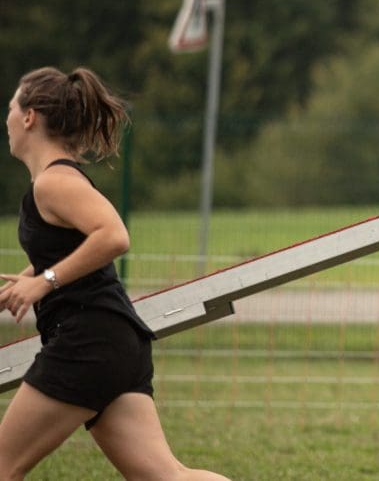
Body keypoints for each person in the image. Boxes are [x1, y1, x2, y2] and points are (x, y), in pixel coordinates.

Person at [0, 67, 229, 479]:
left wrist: (45, 282)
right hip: (115, 343)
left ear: (29, 117)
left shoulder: (53, 183)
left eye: (11, 108)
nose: (7, 119)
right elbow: (70, 248)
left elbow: (113, 235)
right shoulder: (54, 181)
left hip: (87, 343)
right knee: (165, 476)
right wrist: (31, 278)